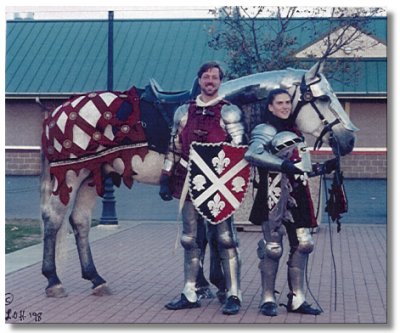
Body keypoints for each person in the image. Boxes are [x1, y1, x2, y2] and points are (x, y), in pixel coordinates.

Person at [159, 61, 245, 315]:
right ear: (199, 80)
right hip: (188, 180)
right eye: (206, 76)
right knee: (190, 239)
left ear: (220, 82)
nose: (210, 81)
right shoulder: (184, 111)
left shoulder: (229, 112)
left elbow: (238, 151)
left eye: (215, 77)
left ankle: (233, 293)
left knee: (226, 238)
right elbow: (174, 147)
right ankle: (190, 290)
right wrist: (166, 176)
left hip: (218, 184)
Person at [244, 88, 336, 316]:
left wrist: (321, 168)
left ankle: (297, 298)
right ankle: (267, 298)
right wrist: (283, 166)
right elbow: (253, 154)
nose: (285, 106)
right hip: (272, 193)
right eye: (280, 103)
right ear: (270, 106)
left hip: (298, 193)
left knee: (304, 244)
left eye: (287, 102)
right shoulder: (265, 129)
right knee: (273, 248)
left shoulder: (295, 131)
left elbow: (300, 167)